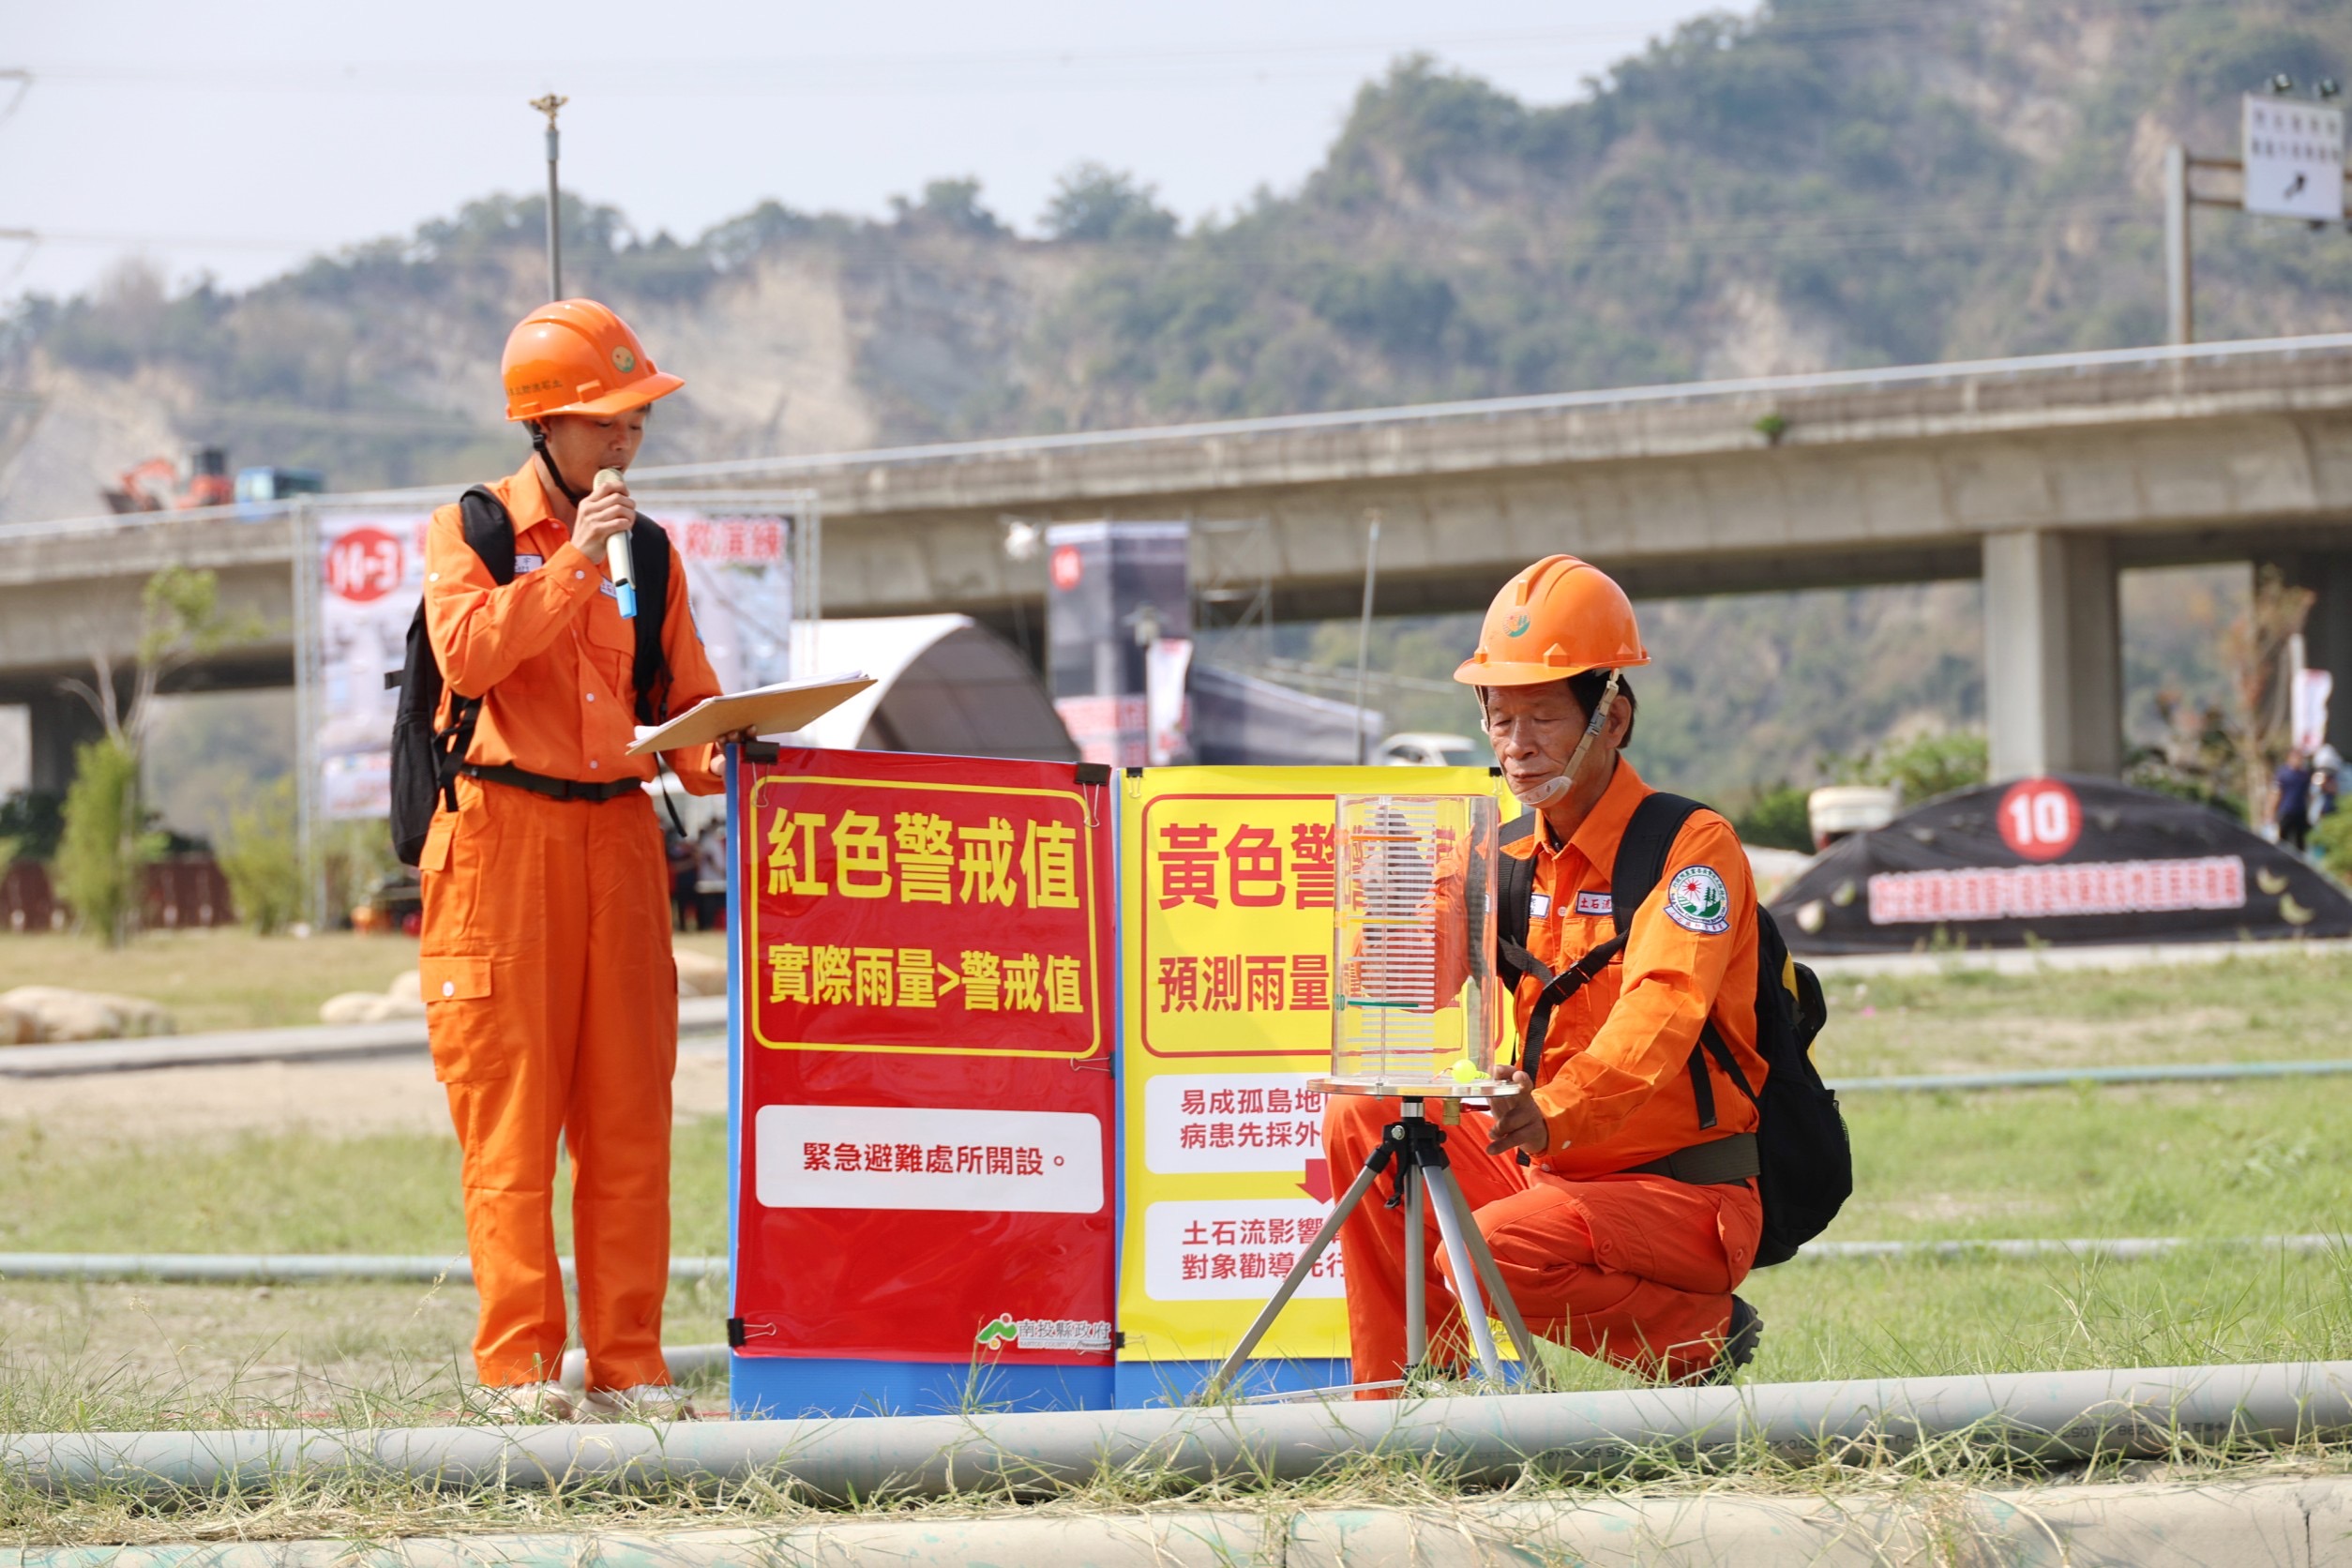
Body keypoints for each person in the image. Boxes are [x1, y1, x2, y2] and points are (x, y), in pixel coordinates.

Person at [1322, 554, 1767, 1390]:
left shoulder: (1691, 849)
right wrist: (1389, 897)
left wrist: (1552, 1111)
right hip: (1547, 1170)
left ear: (1614, 718)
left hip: (1680, 1194)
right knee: (1363, 1117)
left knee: (1491, 1249)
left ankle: (1697, 1338)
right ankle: (1408, 1400)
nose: (1517, 747)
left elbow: (1662, 1018)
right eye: (1499, 719)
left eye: (1542, 718)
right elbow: (1407, 986)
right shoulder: (1501, 856)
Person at [417, 298, 728, 1422]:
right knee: (513, 1121)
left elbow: (683, 709)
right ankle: (518, 1370)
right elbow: (468, 651)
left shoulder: (653, 550)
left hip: (620, 840)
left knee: (631, 1115)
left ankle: (631, 1363)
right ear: (547, 423)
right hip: (502, 846)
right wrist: (571, 564)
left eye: (637, 417)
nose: (628, 439)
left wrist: (735, 744)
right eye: (607, 420)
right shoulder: (474, 531)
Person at [2276, 748, 2313, 854]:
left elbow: (2308, 794)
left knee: (2300, 841)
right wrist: (2270, 812)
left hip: (2300, 811)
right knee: (2283, 839)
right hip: (2286, 811)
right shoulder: (2282, 774)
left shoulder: (2304, 775)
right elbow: (2277, 793)